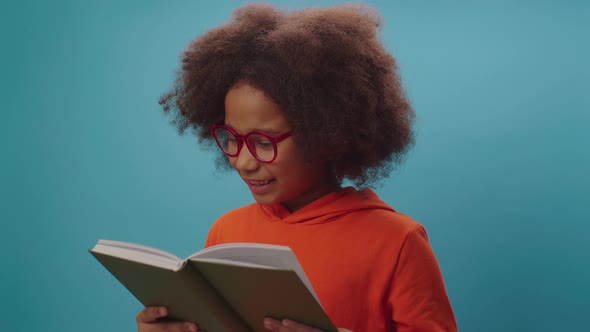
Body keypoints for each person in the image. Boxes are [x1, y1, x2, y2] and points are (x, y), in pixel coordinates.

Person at [136, 3, 457, 332]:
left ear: (326, 134)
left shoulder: (397, 242)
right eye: (231, 137)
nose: (243, 162)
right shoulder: (227, 232)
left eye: (264, 142)